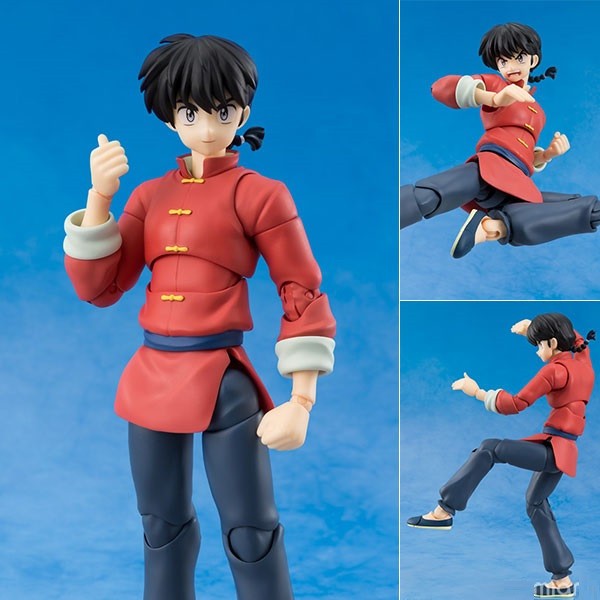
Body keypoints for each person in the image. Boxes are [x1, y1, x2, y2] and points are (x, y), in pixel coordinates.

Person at [63, 34, 336, 600]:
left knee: (251, 530)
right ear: (170, 118)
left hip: (224, 384)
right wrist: (99, 200)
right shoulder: (148, 196)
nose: (208, 128)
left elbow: (300, 287)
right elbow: (100, 288)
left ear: (243, 113)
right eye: (191, 113)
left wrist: (302, 399)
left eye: (223, 111)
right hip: (151, 378)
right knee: (160, 527)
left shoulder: (260, 194)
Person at [406, 313, 595, 599]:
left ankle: (444, 511)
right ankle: (562, 579)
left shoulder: (554, 371)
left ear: (553, 343)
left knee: (490, 448)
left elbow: (516, 403)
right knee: (535, 503)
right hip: (562, 448)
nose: (537, 351)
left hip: (554, 449)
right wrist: (532, 329)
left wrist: (478, 392)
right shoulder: (582, 360)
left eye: (538, 344)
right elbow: (576, 339)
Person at [400, 22, 600, 258]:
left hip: (516, 181)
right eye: (503, 62)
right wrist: (494, 98)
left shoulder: (538, 112)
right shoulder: (497, 86)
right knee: (427, 197)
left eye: (519, 58)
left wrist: (547, 154)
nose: (510, 67)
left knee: (577, 208)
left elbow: (524, 152)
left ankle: (491, 227)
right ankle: (380, 216)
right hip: (491, 164)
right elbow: (440, 88)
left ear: (533, 60)